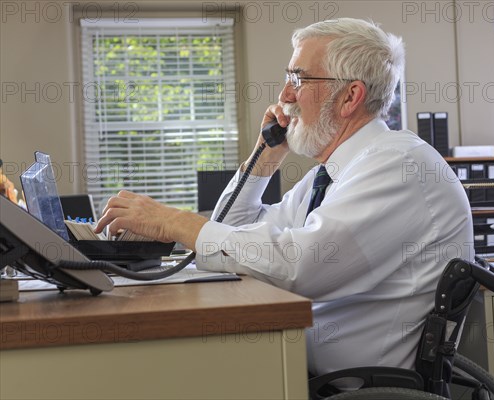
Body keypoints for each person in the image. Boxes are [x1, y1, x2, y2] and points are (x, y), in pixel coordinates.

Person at [95, 18, 474, 377]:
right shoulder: (333, 173)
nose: (284, 95)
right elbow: (234, 237)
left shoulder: (397, 165)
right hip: (302, 364)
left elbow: (299, 268)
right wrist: (264, 156)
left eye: (299, 78)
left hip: (352, 386)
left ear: (350, 96)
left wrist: (174, 221)